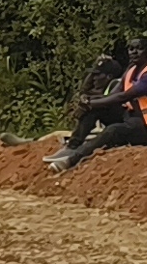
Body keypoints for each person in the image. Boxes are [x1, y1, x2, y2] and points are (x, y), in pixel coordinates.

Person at [55, 39, 147, 171]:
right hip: (133, 118)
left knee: (113, 130)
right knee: (96, 109)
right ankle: (72, 146)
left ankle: (72, 160)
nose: (134, 52)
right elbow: (112, 95)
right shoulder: (131, 71)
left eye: (139, 48)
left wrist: (91, 103)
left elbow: (123, 96)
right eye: (131, 49)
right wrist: (89, 103)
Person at [43, 39, 133, 168]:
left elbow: (108, 99)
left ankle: (73, 146)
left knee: (94, 107)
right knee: (91, 105)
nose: (94, 78)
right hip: (115, 120)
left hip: (127, 120)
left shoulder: (117, 83)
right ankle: (72, 145)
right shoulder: (102, 86)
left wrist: (88, 103)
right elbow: (84, 91)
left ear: (108, 77)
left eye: (97, 75)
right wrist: (95, 68)